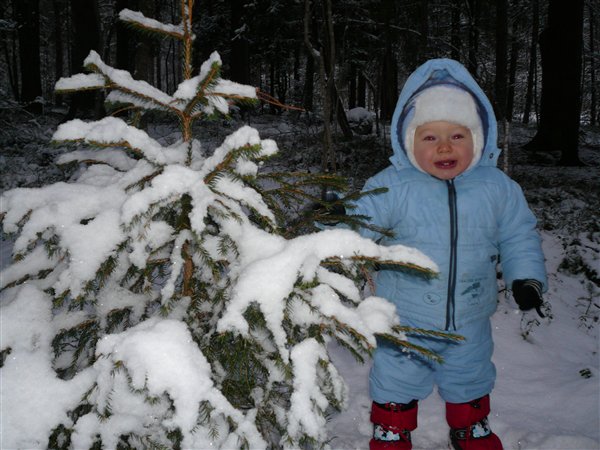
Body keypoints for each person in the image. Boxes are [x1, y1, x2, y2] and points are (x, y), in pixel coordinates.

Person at [346, 59, 548, 450]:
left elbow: (519, 235)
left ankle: (470, 427)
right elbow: (358, 226)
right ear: (408, 140)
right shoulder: (391, 185)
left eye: (457, 135)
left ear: (478, 138)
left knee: (470, 374)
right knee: (396, 378)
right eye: (430, 138)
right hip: (404, 318)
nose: (444, 147)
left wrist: (526, 278)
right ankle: (391, 429)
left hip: (470, 315)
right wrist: (338, 244)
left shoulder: (497, 187)